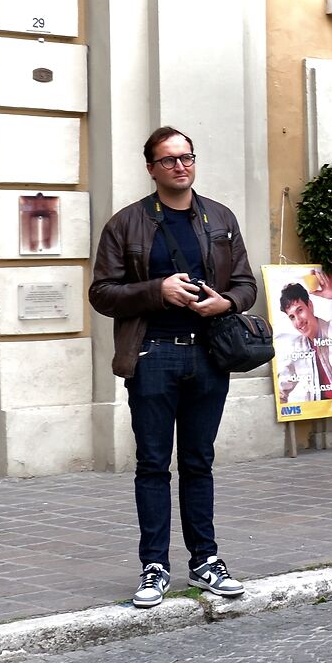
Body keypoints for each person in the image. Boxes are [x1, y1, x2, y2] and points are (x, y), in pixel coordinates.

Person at [90, 127, 257, 609]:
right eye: (169, 160)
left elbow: (246, 283)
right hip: (153, 354)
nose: (180, 166)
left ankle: (206, 561)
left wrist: (225, 302)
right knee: (152, 465)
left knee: (199, 462)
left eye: (187, 157)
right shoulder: (126, 224)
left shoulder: (219, 218)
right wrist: (156, 291)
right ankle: (154, 567)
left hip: (209, 354)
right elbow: (101, 293)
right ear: (151, 168)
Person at [276, 279, 332, 403]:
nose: (298, 321)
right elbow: (280, 392)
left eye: (300, 310)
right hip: (318, 416)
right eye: (292, 317)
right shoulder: (296, 348)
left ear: (310, 305)